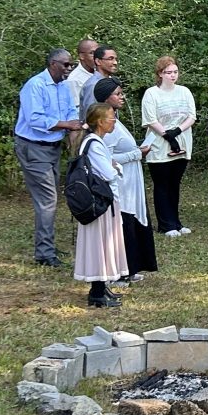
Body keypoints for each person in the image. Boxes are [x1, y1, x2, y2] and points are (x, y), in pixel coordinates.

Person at [14, 49, 83, 267]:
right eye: (65, 65)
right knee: (47, 200)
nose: (69, 69)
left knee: (51, 197)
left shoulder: (63, 86)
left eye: (70, 65)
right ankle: (44, 253)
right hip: (33, 147)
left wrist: (75, 141)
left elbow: (71, 113)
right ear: (53, 64)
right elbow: (35, 119)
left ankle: (48, 246)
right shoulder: (35, 85)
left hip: (53, 147)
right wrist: (67, 125)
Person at [94, 78, 157, 285]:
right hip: (121, 183)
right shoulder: (105, 124)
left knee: (133, 224)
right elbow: (107, 158)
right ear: (106, 98)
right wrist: (137, 154)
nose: (122, 97)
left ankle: (130, 268)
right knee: (123, 224)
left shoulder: (116, 120)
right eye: (118, 94)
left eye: (122, 93)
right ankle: (118, 271)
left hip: (131, 181)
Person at [74, 103, 129, 308]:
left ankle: (102, 287)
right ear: (100, 121)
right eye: (111, 117)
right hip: (100, 201)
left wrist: (113, 165)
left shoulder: (96, 142)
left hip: (103, 200)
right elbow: (107, 173)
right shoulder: (94, 144)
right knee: (101, 244)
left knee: (105, 244)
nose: (114, 120)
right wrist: (116, 168)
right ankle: (96, 292)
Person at [141, 56, 196, 237]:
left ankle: (176, 222)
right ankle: (165, 224)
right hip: (159, 145)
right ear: (160, 74)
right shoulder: (151, 93)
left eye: (175, 72)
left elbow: (191, 116)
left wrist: (177, 132)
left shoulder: (184, 91)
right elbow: (150, 119)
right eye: (168, 72)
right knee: (162, 184)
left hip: (181, 142)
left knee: (174, 184)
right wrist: (167, 135)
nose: (172, 76)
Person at [78, 45, 119, 118]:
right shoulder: (93, 85)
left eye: (116, 59)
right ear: (98, 61)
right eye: (110, 59)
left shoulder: (109, 82)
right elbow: (89, 115)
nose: (115, 62)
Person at [65, 39, 98, 110]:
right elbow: (77, 109)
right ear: (81, 56)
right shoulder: (74, 80)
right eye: (92, 53)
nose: (96, 57)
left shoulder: (100, 73)